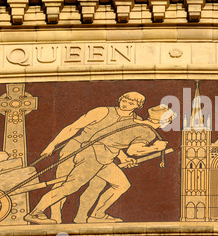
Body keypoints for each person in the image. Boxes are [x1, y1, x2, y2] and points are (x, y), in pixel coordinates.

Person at [24, 104, 175, 225]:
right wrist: (156, 147)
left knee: (121, 184)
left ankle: (97, 214)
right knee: (70, 187)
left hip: (101, 155)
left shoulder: (132, 121)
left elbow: (113, 140)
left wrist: (123, 158)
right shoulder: (147, 132)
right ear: (163, 122)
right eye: (169, 121)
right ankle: (36, 211)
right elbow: (134, 150)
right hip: (93, 157)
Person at [39, 92, 146, 224]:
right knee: (62, 184)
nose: (126, 104)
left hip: (102, 157)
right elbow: (73, 128)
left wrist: (123, 158)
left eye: (131, 103)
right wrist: (52, 145)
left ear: (138, 106)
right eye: (124, 100)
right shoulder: (101, 112)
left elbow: (116, 143)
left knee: (100, 185)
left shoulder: (136, 122)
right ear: (119, 99)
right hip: (75, 150)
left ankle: (84, 217)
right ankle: (55, 218)